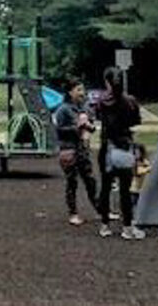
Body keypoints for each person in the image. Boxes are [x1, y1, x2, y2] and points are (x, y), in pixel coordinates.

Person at [95, 66, 145, 240]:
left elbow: (100, 119)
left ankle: (104, 225)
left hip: (107, 146)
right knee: (125, 189)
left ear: (106, 82)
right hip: (124, 146)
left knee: (106, 187)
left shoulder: (101, 102)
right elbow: (136, 122)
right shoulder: (130, 101)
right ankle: (127, 227)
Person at [53, 76, 99, 226]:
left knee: (90, 180)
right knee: (72, 182)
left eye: (82, 89)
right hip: (69, 149)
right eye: (78, 90)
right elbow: (59, 131)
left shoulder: (84, 108)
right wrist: (77, 127)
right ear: (70, 92)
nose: (82, 93)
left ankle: (100, 209)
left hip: (82, 149)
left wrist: (89, 126)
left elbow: (91, 125)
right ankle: (73, 213)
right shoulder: (63, 110)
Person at [131, 142, 151, 209]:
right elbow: (137, 172)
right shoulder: (133, 162)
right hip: (133, 190)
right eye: (135, 152)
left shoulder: (145, 162)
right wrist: (148, 169)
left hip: (142, 190)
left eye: (138, 152)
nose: (137, 154)